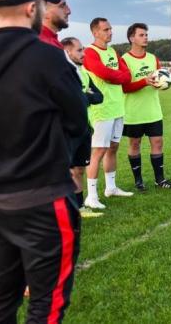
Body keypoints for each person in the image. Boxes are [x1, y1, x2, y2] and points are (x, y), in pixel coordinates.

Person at [0, 0, 88, 323]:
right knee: (48, 302)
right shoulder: (44, 56)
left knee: (3, 291)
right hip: (42, 196)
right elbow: (77, 121)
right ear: (33, 8)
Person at [83, 17, 133, 209]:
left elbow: (125, 74)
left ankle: (111, 187)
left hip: (118, 107)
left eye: (110, 29)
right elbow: (105, 74)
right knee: (98, 151)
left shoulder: (112, 51)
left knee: (113, 148)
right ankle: (92, 196)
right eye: (105, 29)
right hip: (102, 110)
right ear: (95, 32)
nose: (110, 32)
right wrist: (118, 77)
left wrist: (118, 77)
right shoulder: (90, 52)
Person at [121, 23, 171, 190]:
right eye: (141, 35)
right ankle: (138, 181)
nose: (145, 37)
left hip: (153, 111)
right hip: (133, 112)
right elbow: (125, 87)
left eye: (146, 34)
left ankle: (159, 180)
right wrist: (144, 81)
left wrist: (163, 83)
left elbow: (159, 80)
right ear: (132, 38)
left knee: (158, 143)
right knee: (135, 144)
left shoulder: (153, 58)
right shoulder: (125, 60)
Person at [61, 37, 104, 218]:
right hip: (66, 131)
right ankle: (66, 209)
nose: (83, 53)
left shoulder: (84, 73)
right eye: (79, 50)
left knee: (79, 169)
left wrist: (83, 96)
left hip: (84, 129)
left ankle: (79, 207)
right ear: (67, 52)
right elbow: (68, 100)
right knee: (67, 171)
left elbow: (99, 97)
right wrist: (83, 96)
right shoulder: (62, 73)